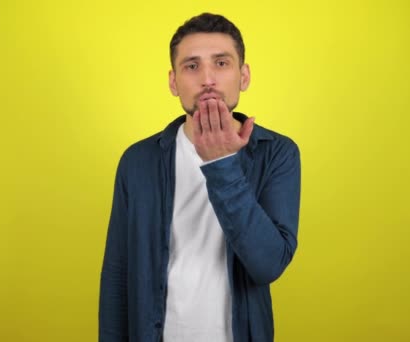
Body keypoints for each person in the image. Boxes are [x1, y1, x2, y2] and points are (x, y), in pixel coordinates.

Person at [99, 13, 301, 342]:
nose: (208, 78)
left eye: (221, 63)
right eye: (191, 66)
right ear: (173, 82)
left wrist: (222, 163)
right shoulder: (137, 161)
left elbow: (268, 265)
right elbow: (117, 274)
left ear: (244, 75)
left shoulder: (277, 153)